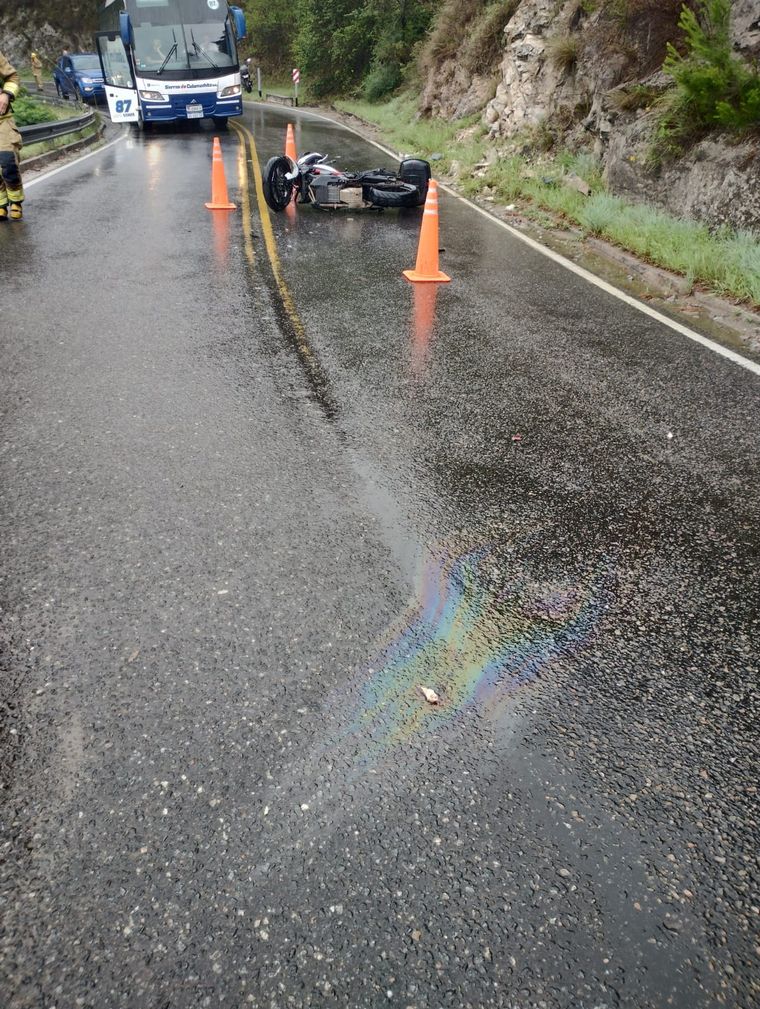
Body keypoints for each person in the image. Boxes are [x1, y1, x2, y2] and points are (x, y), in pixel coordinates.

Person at [0, 50, 24, 221]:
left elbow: (13, 78)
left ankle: (16, 201)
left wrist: (6, 95)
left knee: (8, 161)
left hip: (2, 120)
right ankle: (1, 204)